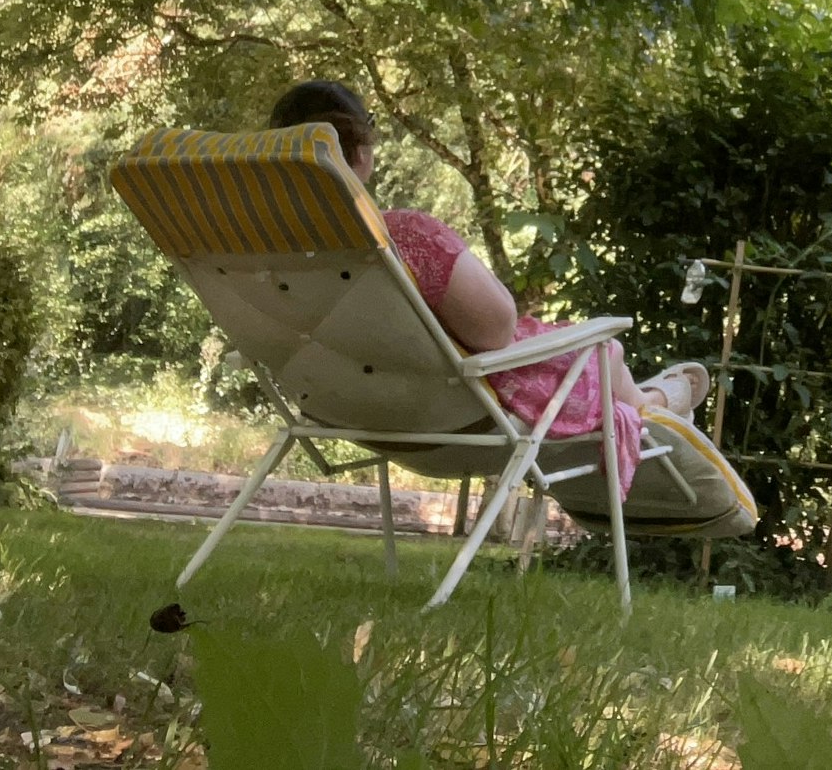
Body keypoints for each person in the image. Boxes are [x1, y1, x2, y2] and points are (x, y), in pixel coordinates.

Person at [265, 81, 706, 497]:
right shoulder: (403, 236)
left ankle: (656, 396)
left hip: (345, 413)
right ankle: (658, 401)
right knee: (603, 351)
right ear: (360, 152)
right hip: (450, 421)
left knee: (593, 360)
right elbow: (496, 331)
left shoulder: (263, 249)